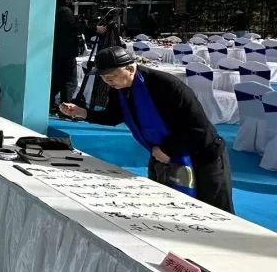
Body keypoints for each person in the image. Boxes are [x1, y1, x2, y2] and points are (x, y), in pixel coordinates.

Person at [59, 47, 234, 212]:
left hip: (202, 154)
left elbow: (197, 127)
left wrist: (168, 150)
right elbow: (113, 116)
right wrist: (82, 112)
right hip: (162, 155)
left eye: (111, 76)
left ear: (130, 69)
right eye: (103, 78)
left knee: (213, 209)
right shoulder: (118, 87)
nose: (107, 81)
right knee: (172, 207)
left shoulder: (166, 85)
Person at [52, 0, 104, 108]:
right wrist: (94, 29)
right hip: (66, 51)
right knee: (69, 81)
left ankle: (53, 104)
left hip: (57, 51)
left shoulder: (54, 9)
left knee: (58, 79)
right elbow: (74, 27)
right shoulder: (64, 11)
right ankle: (66, 106)